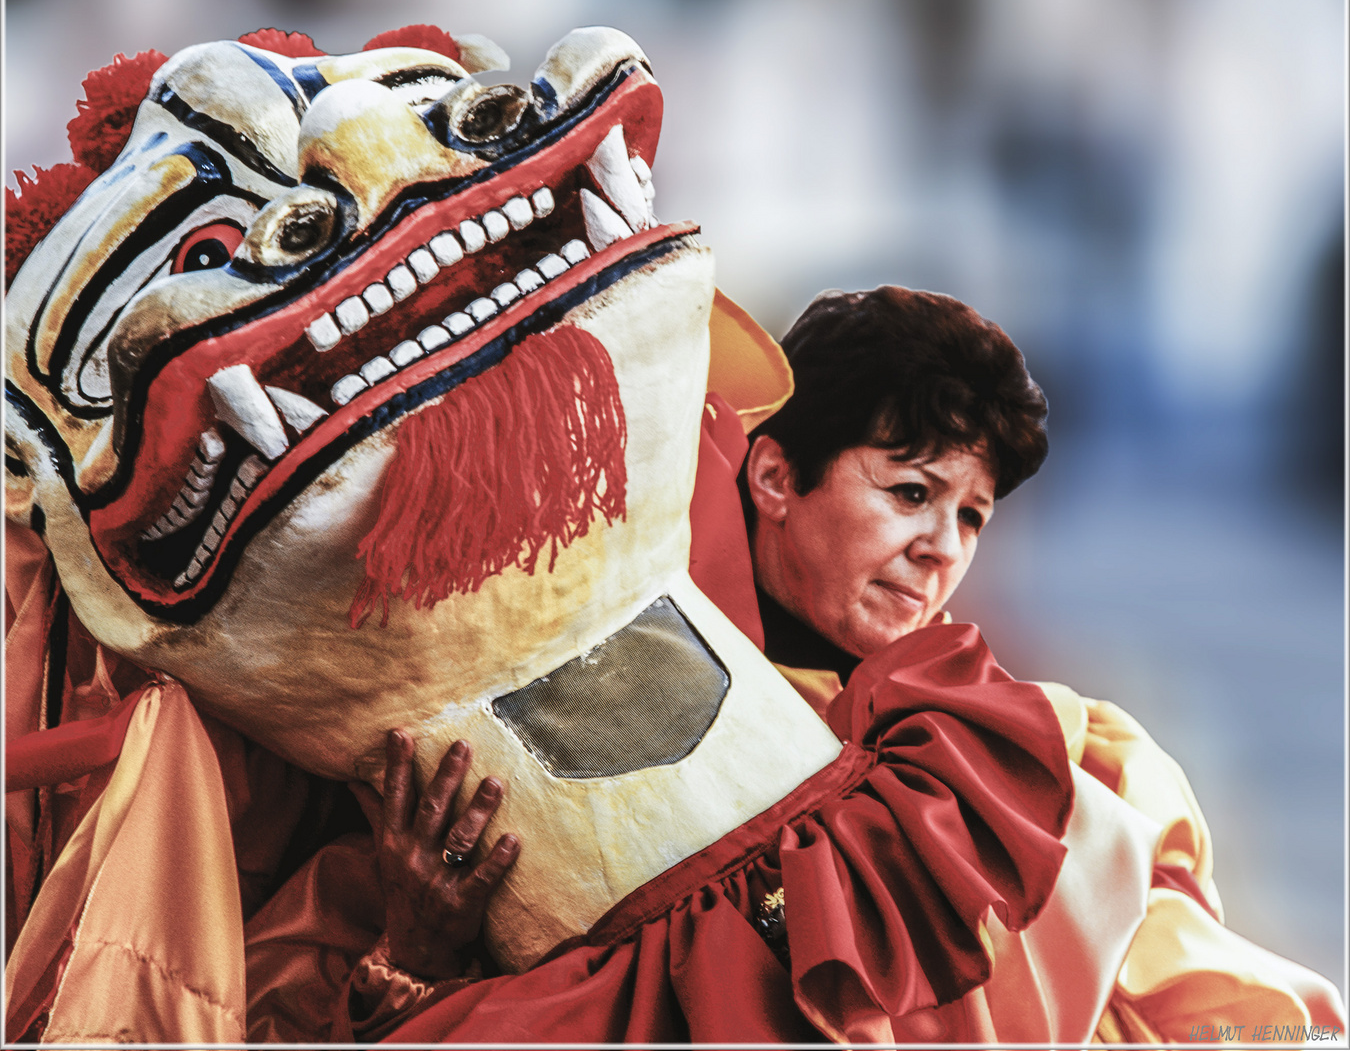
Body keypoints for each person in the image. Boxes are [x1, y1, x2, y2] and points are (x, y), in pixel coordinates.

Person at [350, 285, 1344, 1043]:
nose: (942, 547)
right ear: (776, 476)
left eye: (971, 516)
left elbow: (1221, 1011)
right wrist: (411, 959)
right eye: (910, 492)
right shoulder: (548, 691)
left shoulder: (1055, 762)